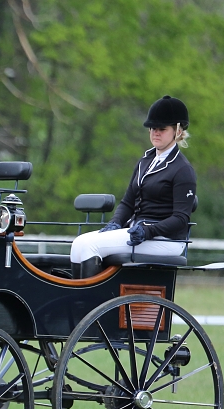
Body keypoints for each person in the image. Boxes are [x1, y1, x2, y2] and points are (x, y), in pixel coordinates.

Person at [70, 95, 197, 278]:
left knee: (90, 245)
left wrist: (148, 230)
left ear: (177, 131)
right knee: (79, 243)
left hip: (165, 240)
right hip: (137, 230)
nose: (155, 133)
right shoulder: (145, 161)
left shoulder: (182, 169)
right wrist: (115, 222)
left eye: (162, 129)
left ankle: (88, 302)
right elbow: (128, 202)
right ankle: (81, 301)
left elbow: (180, 218)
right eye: (152, 128)